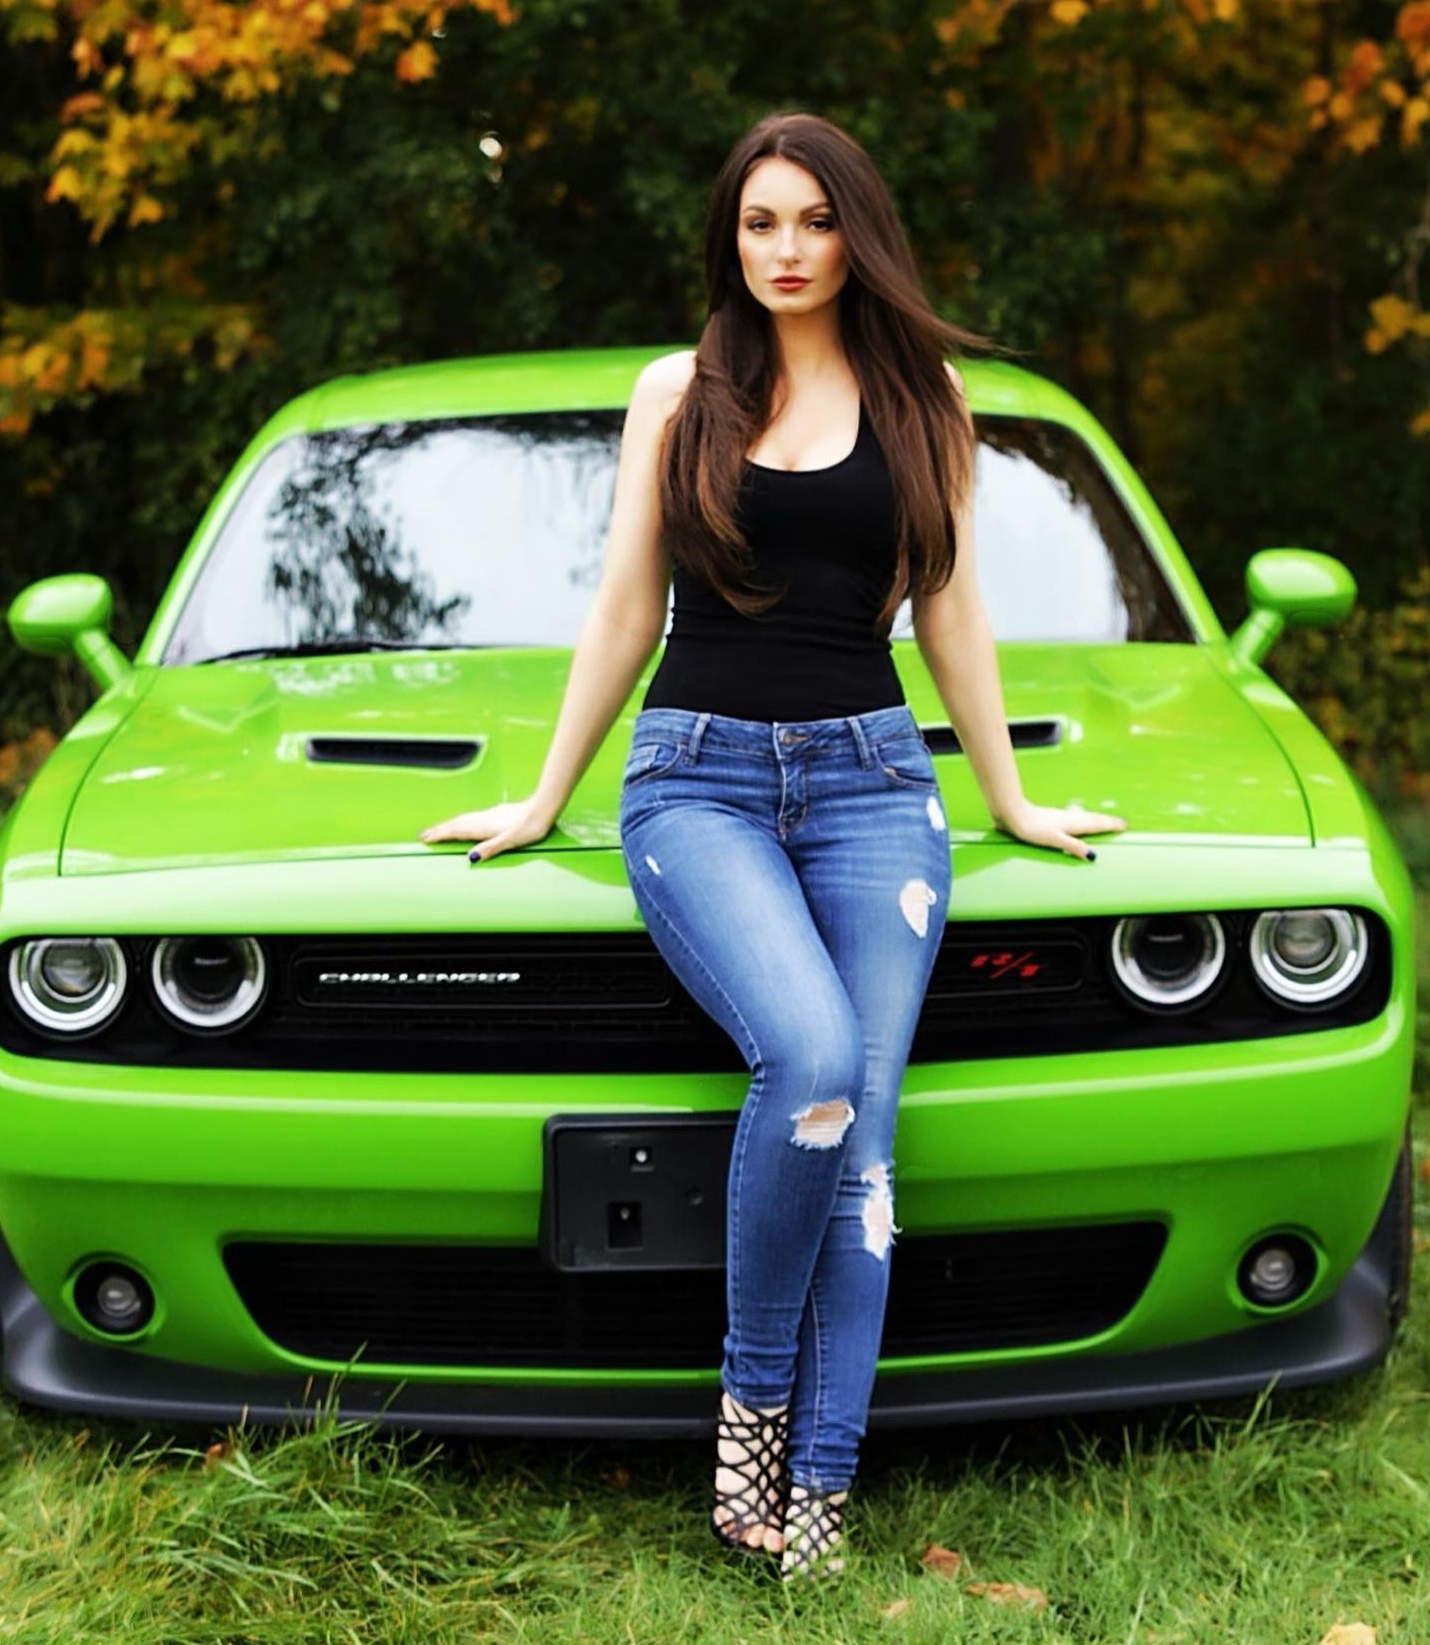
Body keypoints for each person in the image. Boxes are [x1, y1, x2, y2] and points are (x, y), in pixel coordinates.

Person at [421, 110, 1126, 1578]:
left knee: (863, 1144)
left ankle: (819, 1491)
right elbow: (628, 604)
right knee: (810, 1062)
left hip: (875, 783)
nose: (788, 250)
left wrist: (1008, 800)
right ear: (729, 238)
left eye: (815, 221)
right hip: (699, 781)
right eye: (761, 223)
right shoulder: (677, 392)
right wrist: (546, 796)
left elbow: (952, 608)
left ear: (857, 235)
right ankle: (749, 1409)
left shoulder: (925, 395)